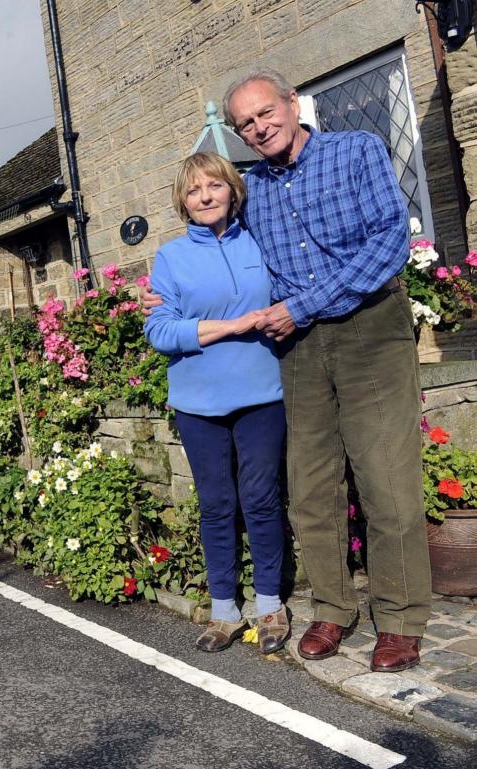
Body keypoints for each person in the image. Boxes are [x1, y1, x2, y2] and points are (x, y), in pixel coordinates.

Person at [143, 69, 430, 672]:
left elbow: (390, 243)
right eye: (245, 123)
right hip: (296, 347)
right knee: (311, 486)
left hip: (367, 328)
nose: (259, 127)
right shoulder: (253, 192)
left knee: (384, 478)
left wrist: (300, 304)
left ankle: (400, 620)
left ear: (292, 104)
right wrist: (161, 297)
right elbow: (216, 247)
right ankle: (333, 608)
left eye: (266, 113)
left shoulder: (356, 150)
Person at [143, 152, 290, 655]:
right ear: (182, 202)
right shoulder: (170, 258)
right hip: (198, 402)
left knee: (262, 498)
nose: (205, 197)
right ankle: (224, 609)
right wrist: (233, 326)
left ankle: (270, 601)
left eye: (214, 186)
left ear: (233, 190)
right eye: (193, 190)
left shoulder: (261, 243)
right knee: (217, 504)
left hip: (262, 394)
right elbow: (160, 331)